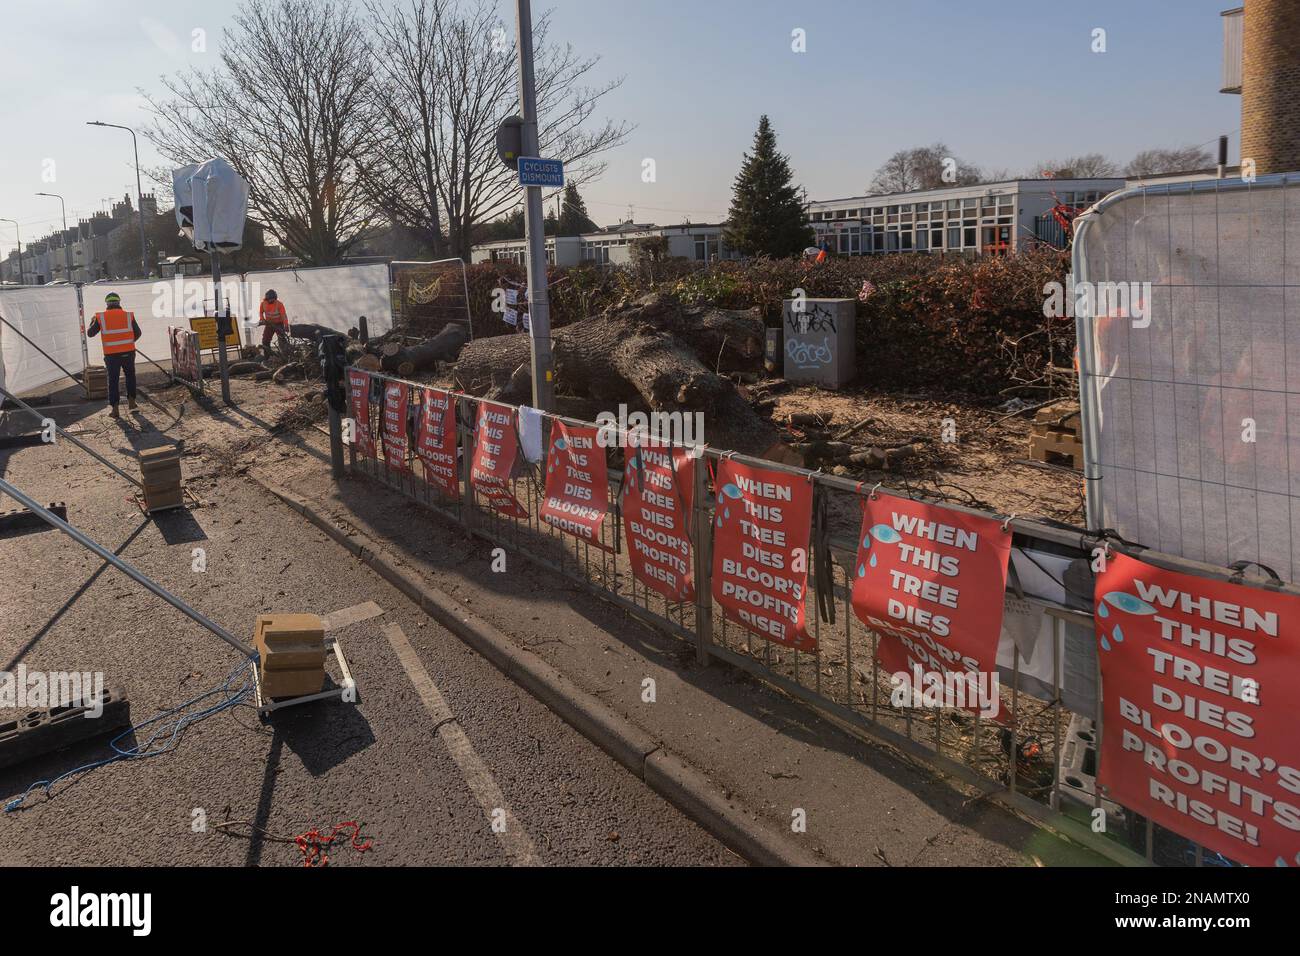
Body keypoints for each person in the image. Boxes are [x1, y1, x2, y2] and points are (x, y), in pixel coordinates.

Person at [86, 291, 142, 419]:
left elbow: (90, 333)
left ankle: (115, 409)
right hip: (128, 352)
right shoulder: (128, 316)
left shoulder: (100, 317)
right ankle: (132, 402)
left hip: (111, 355)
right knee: (130, 376)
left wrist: (92, 321)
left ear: (107, 304)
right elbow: (138, 333)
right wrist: (128, 342)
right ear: (119, 303)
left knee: (113, 380)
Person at [259, 289, 291, 360]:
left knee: (282, 339)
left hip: (279, 324)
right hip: (269, 324)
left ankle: (286, 355)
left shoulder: (279, 304)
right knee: (265, 340)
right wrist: (262, 319)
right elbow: (261, 312)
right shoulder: (263, 303)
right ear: (267, 298)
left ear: (275, 298)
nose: (271, 300)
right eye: (269, 299)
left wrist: (286, 325)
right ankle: (267, 356)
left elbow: (283, 315)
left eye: (272, 299)